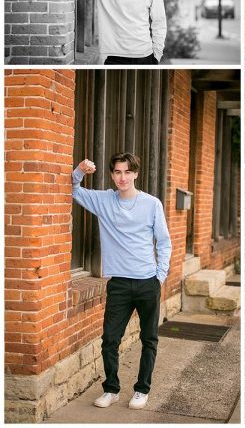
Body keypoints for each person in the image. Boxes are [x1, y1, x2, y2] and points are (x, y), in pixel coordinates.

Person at [71, 153, 171, 410]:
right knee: (110, 340)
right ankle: (111, 389)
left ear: (136, 173)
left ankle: (142, 389)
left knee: (149, 339)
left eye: (127, 172)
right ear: (112, 174)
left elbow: (164, 241)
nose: (122, 177)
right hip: (119, 285)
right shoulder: (104, 200)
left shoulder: (152, 204)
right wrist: (81, 170)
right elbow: (73, 188)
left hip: (148, 282)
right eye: (117, 172)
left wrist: (159, 276)